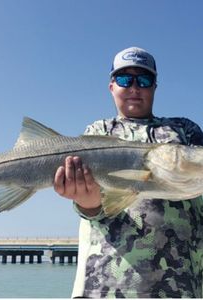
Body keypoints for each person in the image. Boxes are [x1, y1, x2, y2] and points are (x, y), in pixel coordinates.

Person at [54, 47, 203, 298]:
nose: (135, 87)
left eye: (144, 80)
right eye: (125, 79)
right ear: (112, 86)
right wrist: (87, 203)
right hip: (106, 284)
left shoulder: (184, 129)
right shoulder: (97, 131)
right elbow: (93, 210)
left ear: (155, 86)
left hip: (183, 284)